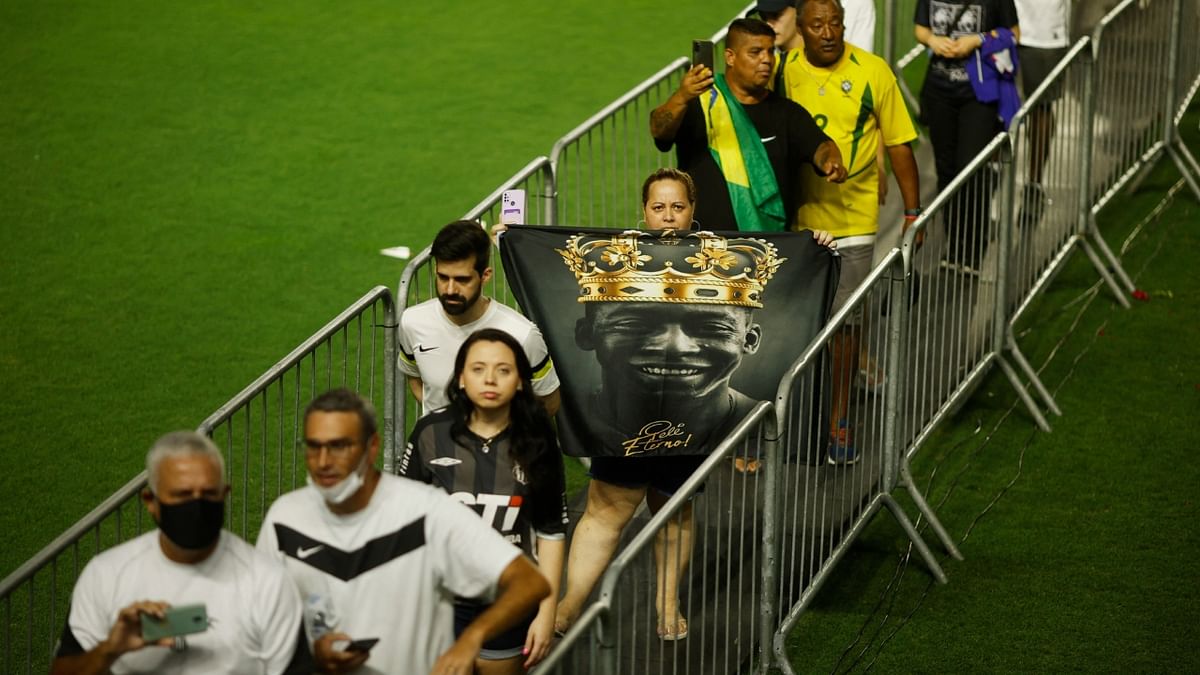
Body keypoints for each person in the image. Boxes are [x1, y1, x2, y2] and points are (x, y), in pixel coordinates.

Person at [554, 229, 787, 639]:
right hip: (617, 426)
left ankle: (667, 603)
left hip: (680, 433)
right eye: (633, 323)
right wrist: (511, 237)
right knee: (606, 510)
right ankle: (571, 603)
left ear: (748, 341)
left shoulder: (753, 418)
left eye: (712, 327)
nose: (673, 346)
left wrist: (819, 243)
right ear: (586, 334)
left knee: (675, 511)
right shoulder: (618, 251)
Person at [257, 388, 550, 675]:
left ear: (372, 447)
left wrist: (471, 638)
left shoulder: (426, 512)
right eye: (313, 446)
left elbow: (529, 582)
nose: (323, 462)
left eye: (339, 446)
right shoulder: (284, 519)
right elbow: (262, 616)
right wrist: (311, 652)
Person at [782, 0, 922, 463]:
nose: (828, 32)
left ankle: (839, 420)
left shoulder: (872, 71)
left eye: (835, 23)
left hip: (853, 220)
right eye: (817, 24)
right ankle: (792, 418)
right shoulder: (783, 72)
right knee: (796, 327)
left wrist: (912, 212)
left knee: (846, 326)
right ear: (800, 28)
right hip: (797, 220)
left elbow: (900, 142)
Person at [52, 432, 309, 675]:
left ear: (224, 495)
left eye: (208, 494)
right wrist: (110, 649)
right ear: (151, 502)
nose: (196, 506)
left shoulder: (269, 582)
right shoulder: (105, 575)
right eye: (182, 495)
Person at [400, 329, 568, 674]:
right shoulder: (430, 433)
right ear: (460, 378)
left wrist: (547, 610)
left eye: (503, 370)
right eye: (478, 369)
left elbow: (550, 530)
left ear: (521, 381)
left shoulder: (538, 440)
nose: (490, 379)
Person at [651, 18, 847, 232]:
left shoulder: (787, 112)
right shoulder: (700, 103)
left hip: (767, 251)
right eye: (755, 52)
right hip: (701, 248)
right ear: (730, 57)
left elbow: (820, 146)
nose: (766, 60)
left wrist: (830, 160)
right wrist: (681, 97)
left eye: (770, 51)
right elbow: (659, 131)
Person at [399, 220, 561, 418]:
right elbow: (415, 379)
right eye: (443, 278)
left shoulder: (522, 335)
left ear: (485, 276)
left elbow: (549, 401)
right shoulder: (412, 322)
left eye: (462, 280)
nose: (450, 290)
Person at [915, 0, 1020, 269]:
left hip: (978, 96)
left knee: (971, 170)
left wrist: (978, 39)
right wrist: (933, 41)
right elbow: (920, 28)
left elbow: (1014, 34)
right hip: (939, 93)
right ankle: (954, 244)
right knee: (946, 171)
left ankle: (974, 247)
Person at [1014, 0, 1071, 229]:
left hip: (1044, 31)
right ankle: (985, 185)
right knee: (991, 104)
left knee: (1041, 108)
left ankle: (1034, 183)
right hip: (1000, 23)